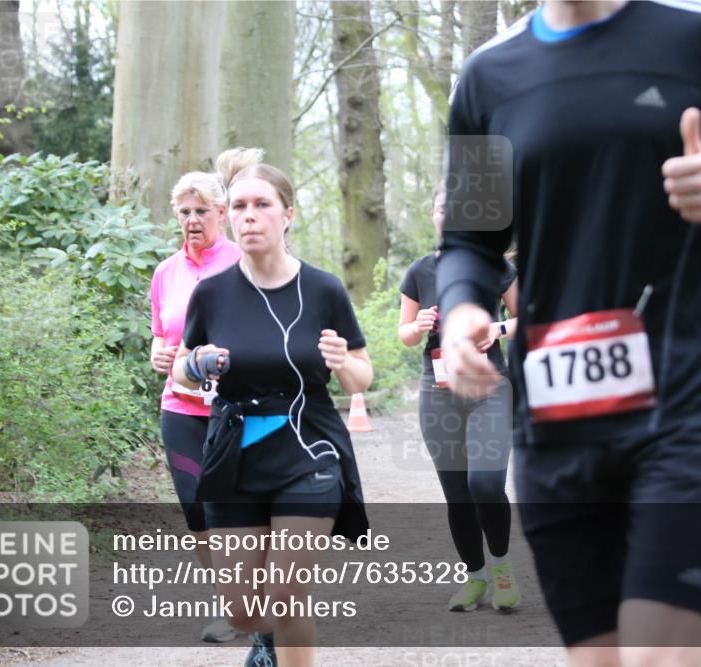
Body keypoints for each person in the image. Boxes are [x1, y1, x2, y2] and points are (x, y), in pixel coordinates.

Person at [436, 1, 701, 665]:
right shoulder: (490, 76)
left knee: (661, 650)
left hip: (693, 395)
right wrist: (458, 310)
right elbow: (470, 243)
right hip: (560, 411)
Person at [172, 150, 371, 667]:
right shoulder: (212, 293)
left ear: (288, 214)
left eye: (262, 204)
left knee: (285, 596)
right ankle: (264, 645)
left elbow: (362, 373)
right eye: (238, 206)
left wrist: (342, 363)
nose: (248, 215)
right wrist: (193, 364)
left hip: (310, 448)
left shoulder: (323, 287)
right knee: (243, 612)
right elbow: (179, 368)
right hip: (237, 450)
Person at [398, 183, 521, 613]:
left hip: (490, 388)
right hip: (438, 391)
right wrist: (418, 328)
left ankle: (503, 569)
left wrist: (497, 329)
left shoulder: (494, 267)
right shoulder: (418, 271)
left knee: (484, 482)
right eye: (441, 209)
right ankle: (474, 578)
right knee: (456, 492)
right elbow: (405, 333)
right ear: (432, 215)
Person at [149, 171, 243, 642]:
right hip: (180, 410)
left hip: (233, 410)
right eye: (184, 212)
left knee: (235, 509)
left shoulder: (243, 262)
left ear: (221, 214)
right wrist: (158, 354)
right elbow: (160, 335)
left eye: (201, 211)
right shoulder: (166, 271)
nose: (192, 220)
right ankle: (233, 605)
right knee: (196, 511)